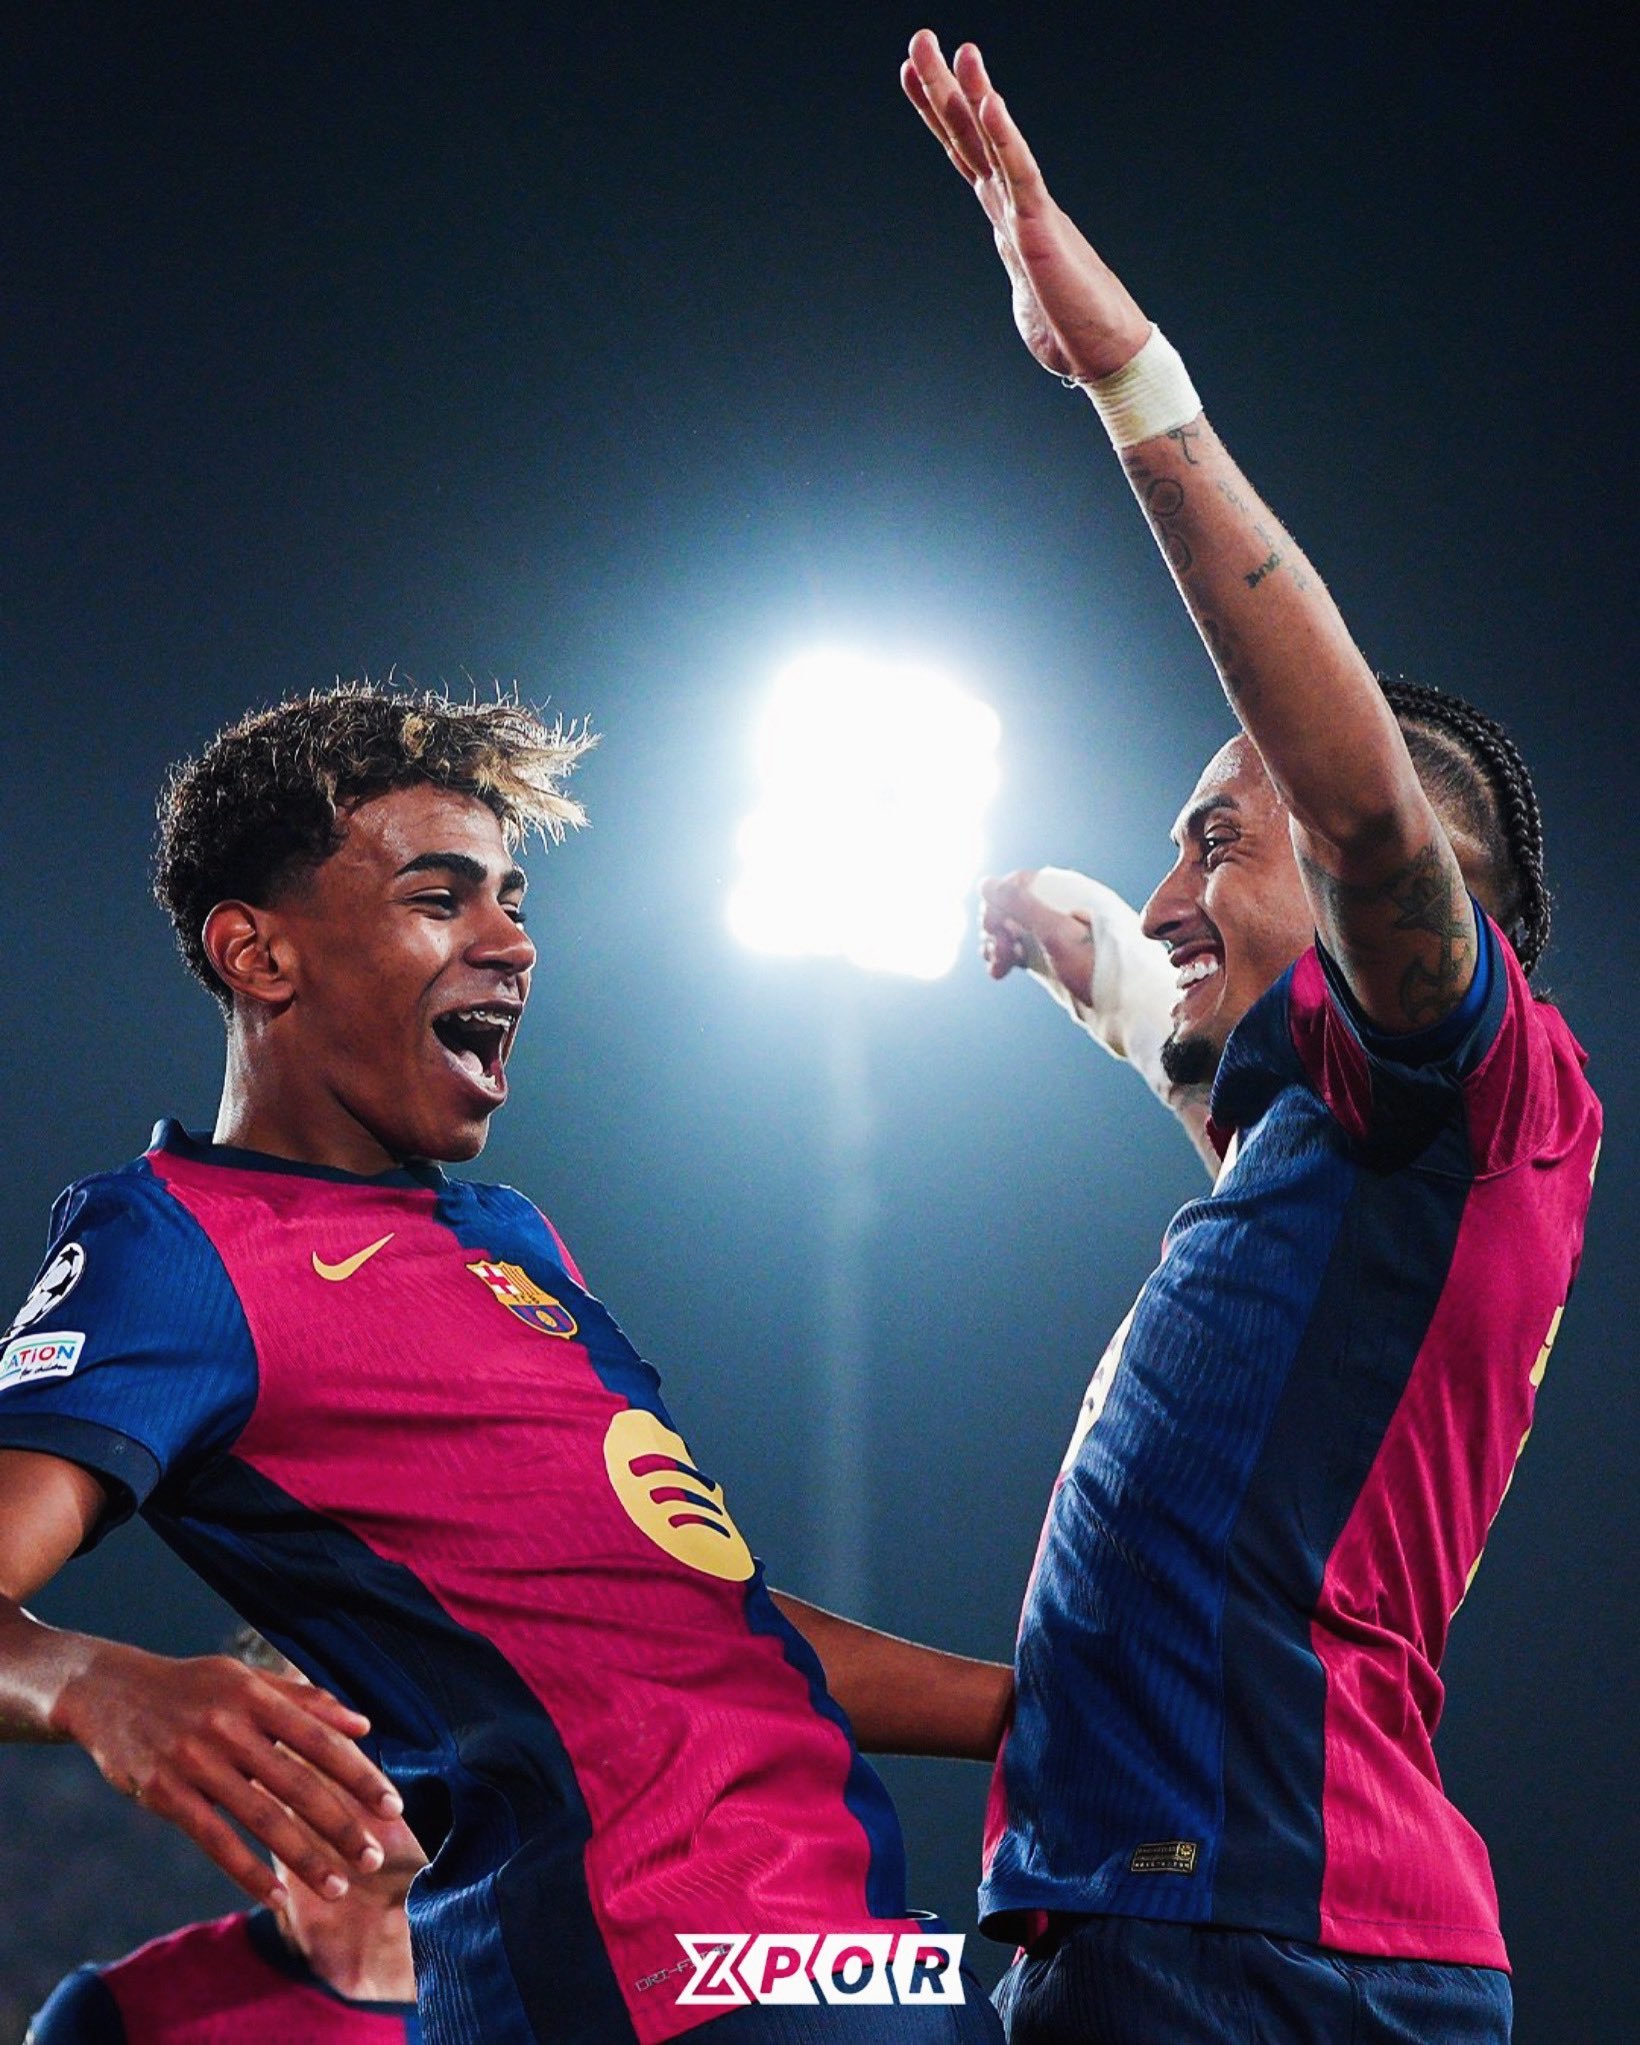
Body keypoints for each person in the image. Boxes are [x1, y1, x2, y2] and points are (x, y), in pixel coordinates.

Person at [903, 28, 1600, 2045]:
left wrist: (1131, 386)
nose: (1169, 893)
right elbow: (1199, 1049)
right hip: (1156, 1925)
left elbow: (1363, 816)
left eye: (1215, 836)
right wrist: (1074, 939)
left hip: (1276, 1937)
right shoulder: (1338, 1150)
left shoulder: (1479, 1080)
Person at [0, 686, 1008, 2045]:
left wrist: (1031, 1709)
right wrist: (91, 1682)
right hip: (642, 1968)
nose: (512, 941)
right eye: (440, 897)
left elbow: (691, 1626)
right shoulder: (180, 1242)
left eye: (512, 899)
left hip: (837, 1942)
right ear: (259, 952)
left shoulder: (512, 1239)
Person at [28, 1631, 424, 2043]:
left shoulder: (478, 2010)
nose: (400, 1750)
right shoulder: (122, 2014)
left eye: (428, 1720)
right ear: (249, 1751)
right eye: (348, 1713)